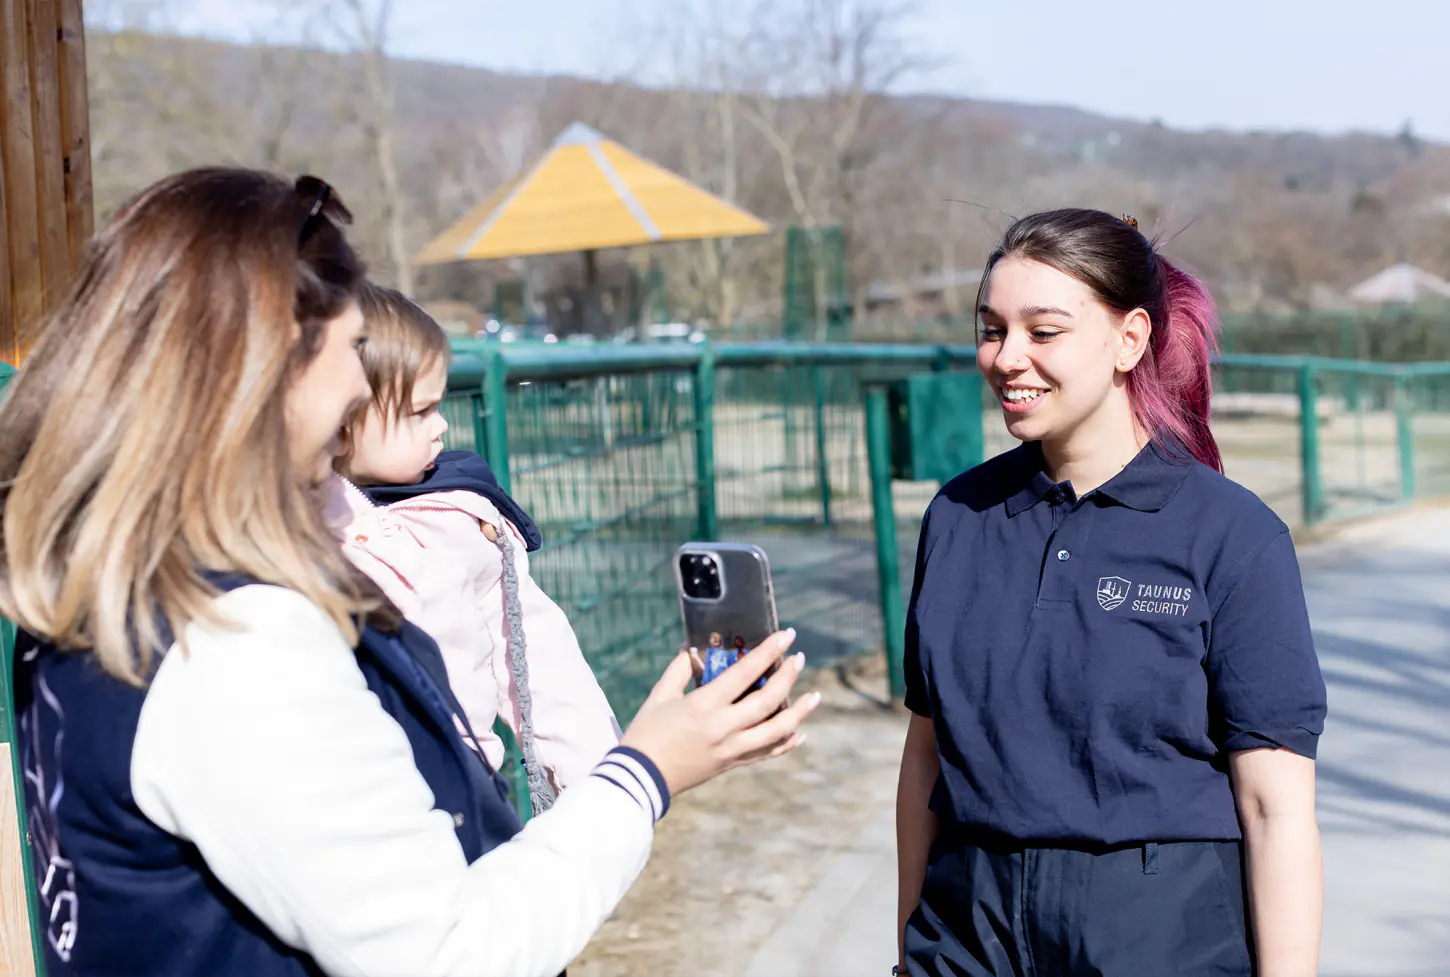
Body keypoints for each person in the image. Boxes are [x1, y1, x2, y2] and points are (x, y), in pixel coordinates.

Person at [0, 167, 819, 977]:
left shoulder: (99, 590)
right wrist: (646, 771)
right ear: (266, 362)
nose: (363, 384)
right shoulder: (234, 643)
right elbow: (447, 950)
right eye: (354, 347)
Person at [894, 209, 1326, 977]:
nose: (1007, 357)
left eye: (1043, 330)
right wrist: (909, 947)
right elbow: (925, 758)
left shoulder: (1232, 535)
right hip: (967, 927)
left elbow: (1274, 806)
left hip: (1157, 932)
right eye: (991, 329)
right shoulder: (957, 518)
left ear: (1130, 339)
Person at [323, 282, 620, 814]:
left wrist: (595, 775)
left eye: (439, 406)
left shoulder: (457, 520)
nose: (441, 428)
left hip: (468, 793)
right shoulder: (293, 533)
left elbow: (530, 646)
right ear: (340, 418)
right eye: (418, 412)